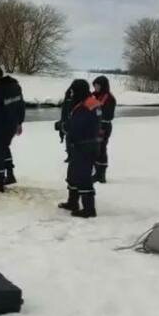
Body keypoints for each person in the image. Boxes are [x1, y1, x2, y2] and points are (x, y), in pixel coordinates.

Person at [59, 79, 102, 218]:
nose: (71, 94)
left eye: (73, 91)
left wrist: (63, 126)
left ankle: (89, 209)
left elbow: (77, 126)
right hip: (84, 144)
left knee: (83, 176)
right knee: (73, 174)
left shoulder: (85, 105)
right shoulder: (91, 101)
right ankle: (72, 202)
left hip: (85, 145)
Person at [90, 75, 117, 183]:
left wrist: (95, 113)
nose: (95, 87)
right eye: (94, 85)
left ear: (103, 86)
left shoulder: (109, 98)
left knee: (101, 149)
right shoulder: (93, 95)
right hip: (94, 126)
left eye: (97, 85)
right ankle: (96, 171)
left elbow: (108, 115)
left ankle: (101, 174)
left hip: (103, 127)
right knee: (94, 148)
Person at [54, 84, 74, 162]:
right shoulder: (67, 99)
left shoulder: (78, 99)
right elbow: (64, 113)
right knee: (68, 139)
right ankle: (70, 155)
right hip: (67, 122)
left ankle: (73, 155)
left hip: (73, 123)